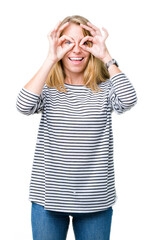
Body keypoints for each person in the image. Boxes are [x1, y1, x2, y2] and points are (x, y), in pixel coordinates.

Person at [16, 15, 137, 240]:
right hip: (48, 199)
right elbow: (23, 105)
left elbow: (129, 99)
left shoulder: (107, 89)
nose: (77, 49)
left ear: (92, 46)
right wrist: (51, 58)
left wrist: (106, 56)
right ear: (58, 45)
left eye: (85, 42)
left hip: (95, 199)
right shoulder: (48, 89)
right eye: (68, 42)